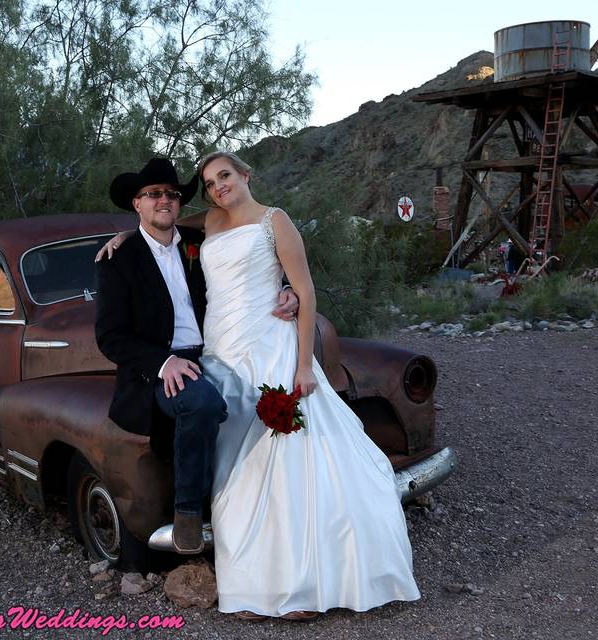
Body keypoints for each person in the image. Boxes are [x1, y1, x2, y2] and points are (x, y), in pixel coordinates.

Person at [100, 152, 421, 621]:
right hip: (218, 354)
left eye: (223, 176)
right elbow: (158, 239)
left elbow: (303, 289)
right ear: (139, 203)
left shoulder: (272, 220)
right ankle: (253, 575)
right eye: (209, 182)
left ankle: (305, 579)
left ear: (246, 175)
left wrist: (301, 346)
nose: (217, 187)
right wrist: (129, 235)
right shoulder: (200, 226)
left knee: (289, 455)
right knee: (239, 464)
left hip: (265, 342)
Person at [95, 158, 298, 555]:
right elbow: (110, 336)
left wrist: (287, 285)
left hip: (220, 349)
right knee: (203, 403)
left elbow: (250, 262)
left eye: (171, 194)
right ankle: (189, 513)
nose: (164, 201)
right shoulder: (118, 259)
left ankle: (268, 510)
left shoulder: (197, 245)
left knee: (267, 406)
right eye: (153, 194)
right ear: (137, 203)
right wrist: (162, 363)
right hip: (164, 364)